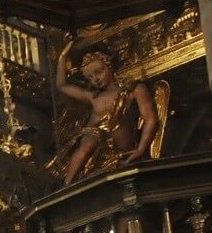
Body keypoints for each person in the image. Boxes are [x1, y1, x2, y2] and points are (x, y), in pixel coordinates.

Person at [51, 42, 158, 185]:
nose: (95, 79)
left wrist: (141, 148)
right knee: (87, 144)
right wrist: (62, 57)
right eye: (89, 78)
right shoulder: (93, 97)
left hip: (122, 150)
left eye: (98, 72)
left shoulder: (133, 90)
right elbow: (62, 85)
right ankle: (67, 185)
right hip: (95, 142)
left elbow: (150, 118)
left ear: (109, 66)